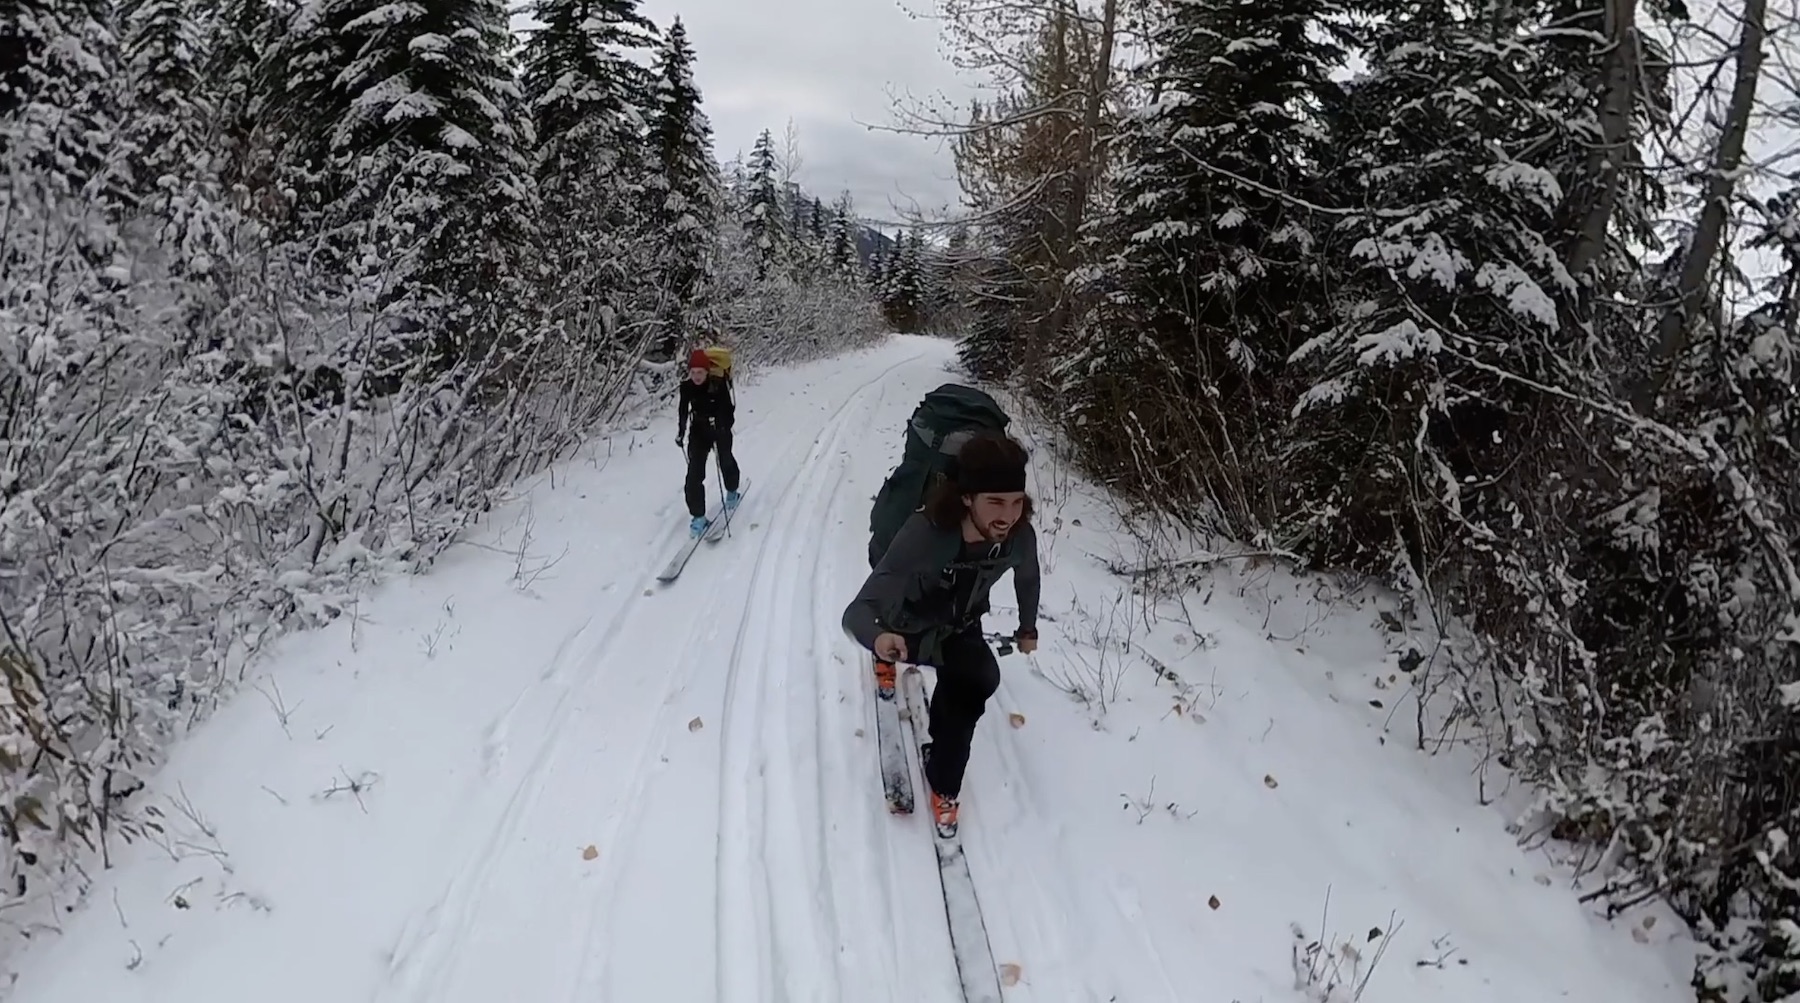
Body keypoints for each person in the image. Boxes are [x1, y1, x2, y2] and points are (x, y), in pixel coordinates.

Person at [841, 431, 1042, 837]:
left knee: (978, 681)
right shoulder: (925, 534)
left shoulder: (1018, 537)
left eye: (1017, 502)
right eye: (996, 502)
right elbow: (857, 612)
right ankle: (885, 659)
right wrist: (879, 638)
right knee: (893, 644)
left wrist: (1027, 627)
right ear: (967, 498)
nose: (1009, 515)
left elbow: (1028, 576)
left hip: (958, 626)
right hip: (904, 625)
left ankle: (944, 780)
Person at [676, 346, 741, 536]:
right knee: (694, 474)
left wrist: (721, 426)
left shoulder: (717, 384)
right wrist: (681, 432)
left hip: (719, 429)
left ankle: (732, 490)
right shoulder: (686, 387)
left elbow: (729, 413)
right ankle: (698, 517)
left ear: (706, 371)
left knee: (725, 460)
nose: (696, 376)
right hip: (698, 431)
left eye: (700, 372)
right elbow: (682, 411)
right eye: (693, 372)